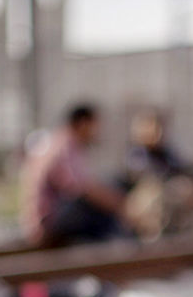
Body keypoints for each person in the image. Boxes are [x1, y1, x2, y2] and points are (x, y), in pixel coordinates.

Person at [20, 103, 136, 247]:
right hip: (49, 223)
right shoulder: (65, 147)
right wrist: (122, 205)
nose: (97, 132)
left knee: (108, 188)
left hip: (43, 220)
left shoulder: (54, 141)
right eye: (95, 126)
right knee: (98, 203)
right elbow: (83, 189)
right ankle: (111, 246)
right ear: (83, 124)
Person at [120, 106, 193, 240]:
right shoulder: (136, 154)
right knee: (154, 197)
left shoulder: (167, 152)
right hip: (145, 201)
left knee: (186, 190)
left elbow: (185, 168)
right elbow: (146, 177)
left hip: (169, 195)